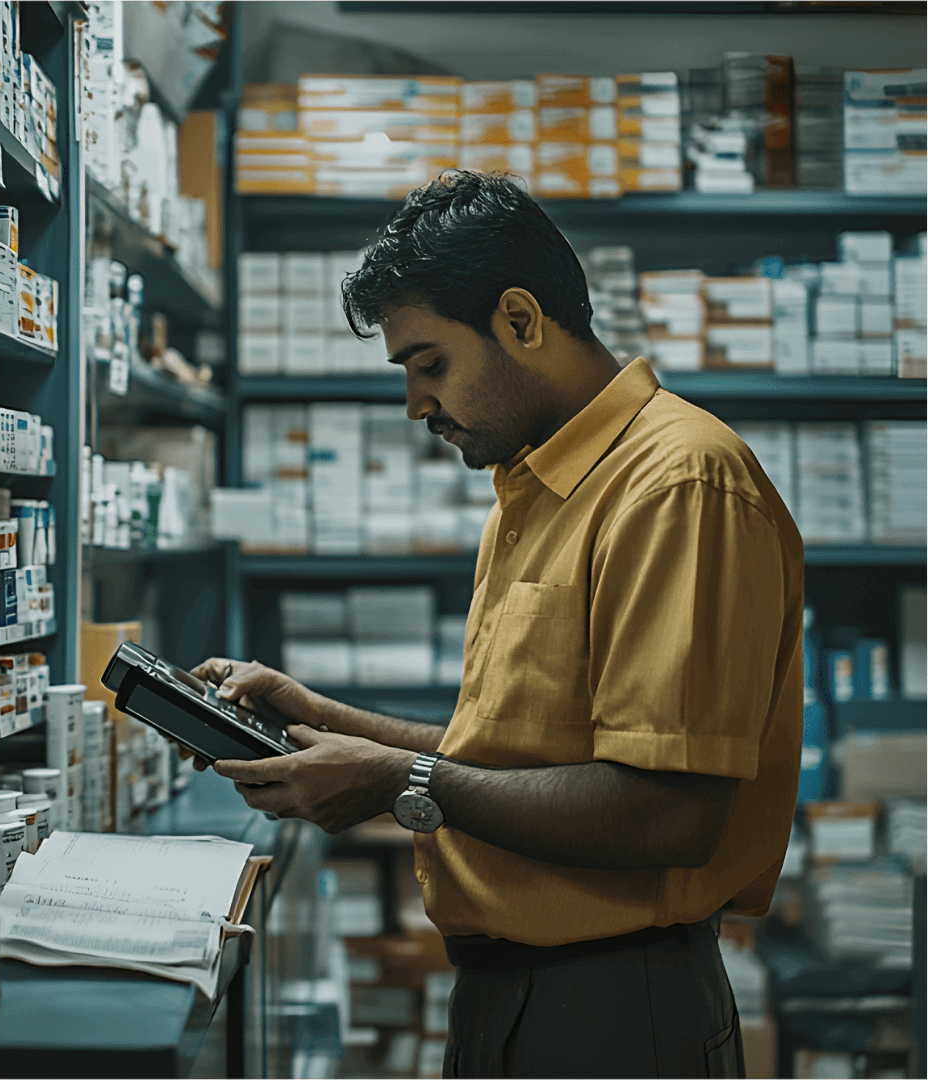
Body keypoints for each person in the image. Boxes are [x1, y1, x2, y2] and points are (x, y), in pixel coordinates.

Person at [190, 171, 802, 1079]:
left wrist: (397, 780)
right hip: (511, 996)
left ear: (520, 320)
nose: (415, 406)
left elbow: (667, 814)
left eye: (430, 364)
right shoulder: (537, 487)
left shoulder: (678, 484)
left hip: (612, 1010)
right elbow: (522, 759)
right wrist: (322, 717)